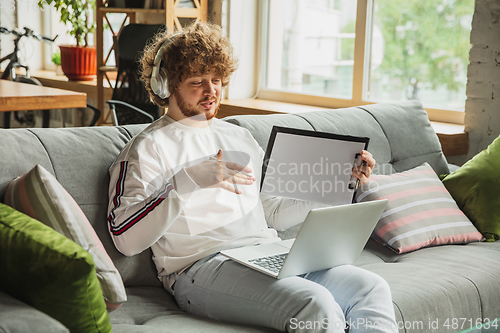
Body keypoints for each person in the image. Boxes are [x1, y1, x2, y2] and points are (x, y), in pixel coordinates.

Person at [107, 22, 398, 333]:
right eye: (196, 82)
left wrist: (338, 179)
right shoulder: (146, 149)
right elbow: (125, 239)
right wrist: (186, 180)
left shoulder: (239, 138)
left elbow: (272, 213)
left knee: (371, 288)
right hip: (200, 268)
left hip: (267, 252)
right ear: (165, 85)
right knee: (315, 304)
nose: (211, 91)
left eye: (216, 80)